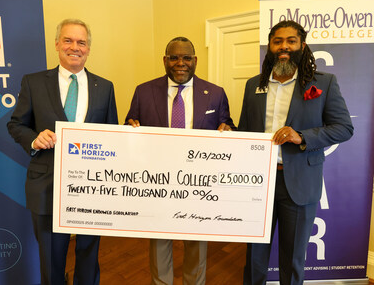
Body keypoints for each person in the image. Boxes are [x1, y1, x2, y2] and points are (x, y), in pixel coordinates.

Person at [238, 20, 353, 285]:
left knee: (292, 259)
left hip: (300, 183)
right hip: (258, 184)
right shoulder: (252, 85)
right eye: (278, 41)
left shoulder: (323, 83)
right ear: (270, 46)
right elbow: (245, 130)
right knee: (254, 255)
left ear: (302, 45)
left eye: (291, 40)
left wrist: (301, 136)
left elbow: (344, 128)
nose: (284, 47)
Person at [7, 19, 118, 285]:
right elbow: (16, 124)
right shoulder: (33, 82)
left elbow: (113, 136)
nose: (74, 47)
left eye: (81, 42)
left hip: (93, 190)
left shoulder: (104, 87)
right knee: (51, 260)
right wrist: (34, 139)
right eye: (68, 40)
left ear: (88, 48)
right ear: (57, 44)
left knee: (88, 256)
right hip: (47, 187)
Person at [125, 37, 235, 285]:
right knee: (159, 239)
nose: (180, 63)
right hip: (157, 181)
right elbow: (130, 126)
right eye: (174, 57)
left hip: (198, 182)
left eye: (186, 57)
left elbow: (229, 127)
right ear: (165, 60)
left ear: (195, 61)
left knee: (196, 240)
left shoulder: (215, 93)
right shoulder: (144, 91)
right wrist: (131, 127)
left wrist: (227, 130)